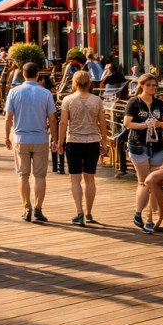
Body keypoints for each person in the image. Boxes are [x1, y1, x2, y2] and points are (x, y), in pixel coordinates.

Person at [4, 62, 58, 223]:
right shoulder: (46, 93)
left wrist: (6, 137)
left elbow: (8, 118)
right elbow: (53, 119)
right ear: (38, 74)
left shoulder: (14, 92)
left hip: (21, 138)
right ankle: (38, 209)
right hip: (40, 138)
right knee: (40, 175)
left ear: (23, 74)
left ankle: (26, 208)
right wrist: (55, 139)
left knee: (23, 175)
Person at [57, 70, 108, 226]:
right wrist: (104, 141)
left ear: (75, 82)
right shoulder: (97, 100)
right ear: (89, 82)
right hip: (92, 141)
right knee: (90, 178)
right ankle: (89, 213)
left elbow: (63, 123)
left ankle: (79, 212)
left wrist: (59, 142)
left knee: (75, 178)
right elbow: (102, 123)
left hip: (74, 141)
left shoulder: (68, 100)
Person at [125, 73, 163, 233]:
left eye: (155, 85)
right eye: (149, 85)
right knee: (143, 181)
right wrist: (144, 125)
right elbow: (127, 123)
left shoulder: (159, 103)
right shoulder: (134, 102)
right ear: (142, 85)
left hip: (157, 146)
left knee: (153, 183)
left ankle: (150, 220)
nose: (153, 88)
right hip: (139, 145)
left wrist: (159, 123)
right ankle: (139, 214)